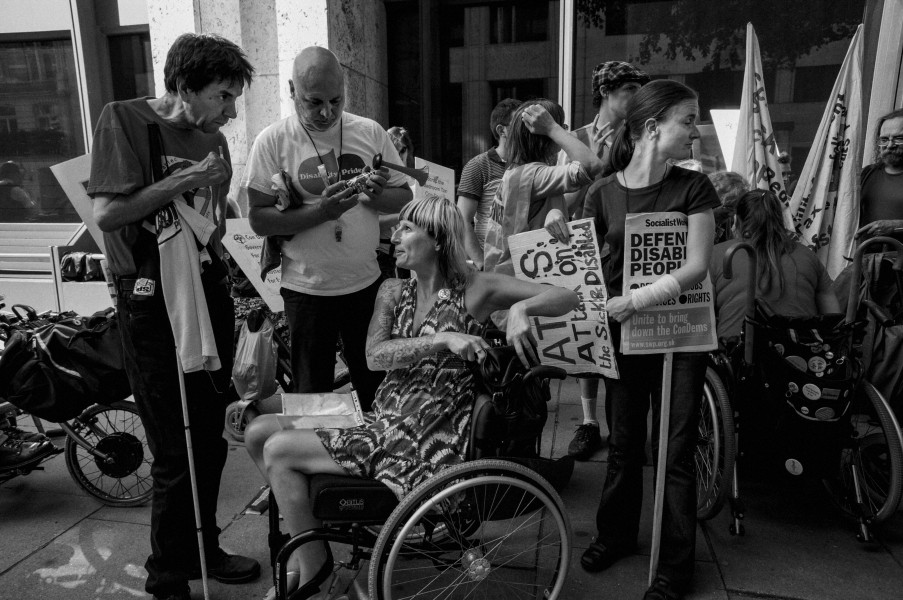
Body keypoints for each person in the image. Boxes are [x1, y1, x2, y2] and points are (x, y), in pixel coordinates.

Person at [244, 196, 579, 600]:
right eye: (397, 227)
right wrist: (443, 339)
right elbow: (374, 355)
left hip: (424, 431)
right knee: (257, 432)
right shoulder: (391, 290)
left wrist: (524, 307)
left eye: (407, 229)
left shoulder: (475, 288)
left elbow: (566, 297)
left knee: (278, 449)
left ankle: (316, 570)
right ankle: (307, 552)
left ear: (437, 240)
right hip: (383, 415)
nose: (395, 236)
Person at [85, 33, 258, 600]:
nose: (231, 112)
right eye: (224, 96)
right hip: (149, 300)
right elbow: (107, 214)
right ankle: (167, 577)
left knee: (208, 442)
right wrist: (185, 178)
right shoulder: (124, 119)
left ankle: (205, 550)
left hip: (205, 289)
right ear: (185, 84)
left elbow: (215, 222)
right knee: (173, 449)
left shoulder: (218, 143)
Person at [580, 79, 720, 600]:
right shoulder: (603, 192)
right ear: (651, 127)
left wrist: (637, 300)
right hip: (624, 337)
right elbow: (583, 258)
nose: (694, 132)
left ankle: (674, 564)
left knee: (674, 449)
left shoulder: (694, 188)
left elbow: (697, 265)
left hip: (680, 336)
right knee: (623, 444)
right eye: (687, 121)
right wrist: (555, 227)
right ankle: (614, 535)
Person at [244, 47, 412, 411]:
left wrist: (377, 196)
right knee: (311, 397)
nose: (327, 112)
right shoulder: (272, 141)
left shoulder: (369, 132)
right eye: (314, 102)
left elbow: (403, 197)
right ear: (291, 90)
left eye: (336, 101)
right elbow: (258, 218)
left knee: (376, 388)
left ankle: (376, 459)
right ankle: (316, 464)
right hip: (306, 291)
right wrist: (320, 212)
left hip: (365, 282)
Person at [564, 61, 649, 462]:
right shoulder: (575, 137)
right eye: (629, 89)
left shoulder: (640, 133)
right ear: (607, 93)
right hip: (581, 243)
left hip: (620, 246)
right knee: (585, 336)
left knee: (617, 337)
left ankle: (624, 425)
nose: (636, 96)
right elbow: (558, 190)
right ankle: (588, 420)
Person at [482, 98, 604, 282]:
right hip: (525, 286)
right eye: (560, 126)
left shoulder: (517, 172)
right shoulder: (535, 174)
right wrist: (552, 128)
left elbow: (566, 208)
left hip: (506, 283)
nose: (564, 131)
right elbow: (591, 165)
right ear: (543, 134)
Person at [710, 189, 839, 341]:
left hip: (735, 356)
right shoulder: (807, 255)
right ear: (780, 220)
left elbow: (702, 318)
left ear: (737, 221)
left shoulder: (718, 254)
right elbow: (834, 320)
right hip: (800, 356)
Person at [457, 98, 520, 269]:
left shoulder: (530, 165)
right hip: (490, 265)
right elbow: (462, 219)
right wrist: (481, 263)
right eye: (520, 124)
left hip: (523, 263)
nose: (527, 130)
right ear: (502, 130)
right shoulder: (478, 166)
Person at [855, 108, 903, 244]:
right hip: (865, 260)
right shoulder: (867, 174)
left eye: (899, 139)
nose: (889, 145)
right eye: (884, 139)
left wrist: (896, 226)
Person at [377, 126, 415, 279]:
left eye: (403, 150)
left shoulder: (416, 179)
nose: (399, 156)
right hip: (384, 254)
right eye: (394, 151)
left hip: (411, 252)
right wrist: (403, 215)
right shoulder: (378, 181)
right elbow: (374, 222)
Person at [708, 170, 749, 245]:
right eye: (729, 207)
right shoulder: (690, 220)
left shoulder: (725, 221)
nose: (732, 214)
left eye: (737, 209)